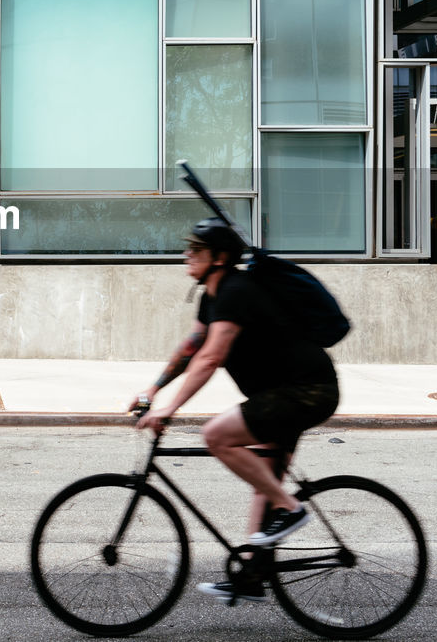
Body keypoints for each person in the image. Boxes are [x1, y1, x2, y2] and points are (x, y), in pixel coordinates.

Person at [133, 218, 340, 603]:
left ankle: (292, 510)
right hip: (288, 392)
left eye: (195, 249)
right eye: (188, 248)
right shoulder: (213, 295)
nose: (186, 255)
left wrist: (169, 410)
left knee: (216, 436)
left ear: (220, 257)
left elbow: (211, 357)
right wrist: (154, 388)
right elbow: (193, 345)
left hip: (305, 391)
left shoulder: (236, 291)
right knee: (266, 478)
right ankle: (252, 574)